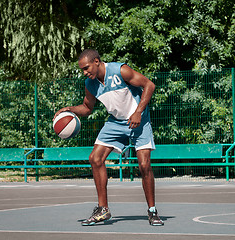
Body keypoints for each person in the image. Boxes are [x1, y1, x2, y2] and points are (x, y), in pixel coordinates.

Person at [54, 49, 164, 226]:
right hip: (116, 123)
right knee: (95, 158)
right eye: (82, 69)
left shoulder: (120, 70)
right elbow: (87, 108)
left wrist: (138, 112)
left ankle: (152, 211)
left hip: (139, 120)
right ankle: (102, 209)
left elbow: (149, 85)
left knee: (144, 165)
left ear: (97, 61)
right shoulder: (90, 84)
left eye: (86, 67)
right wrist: (69, 109)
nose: (84, 72)